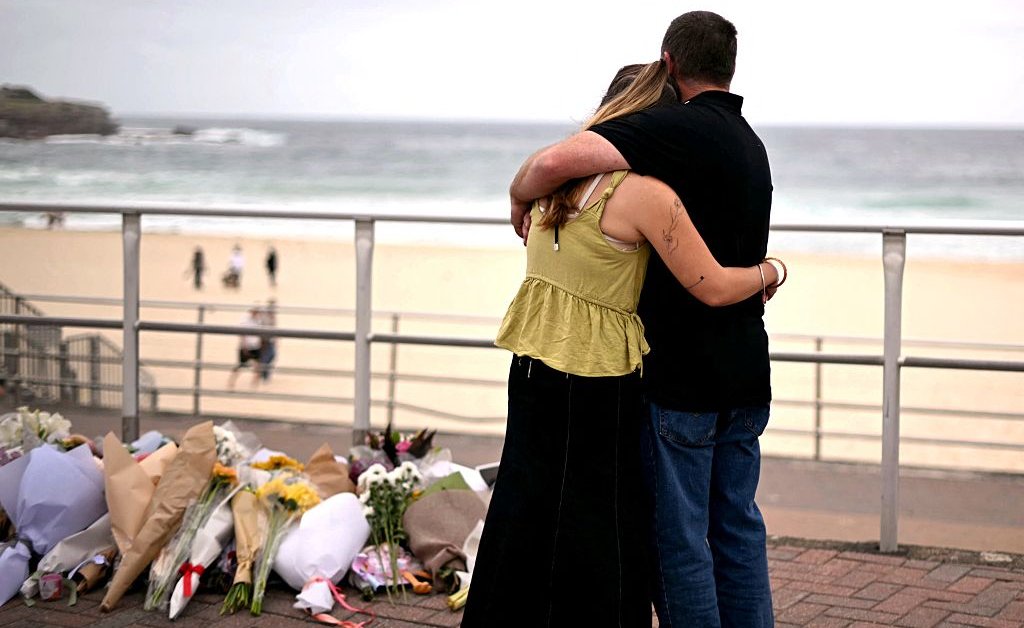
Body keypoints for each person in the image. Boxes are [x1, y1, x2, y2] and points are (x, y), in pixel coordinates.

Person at [461, 61, 782, 628]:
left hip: (532, 366)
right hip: (599, 378)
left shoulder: (547, 187)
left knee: (524, 509)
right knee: (603, 523)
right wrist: (770, 270)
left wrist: (515, 195)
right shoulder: (645, 195)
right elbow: (709, 285)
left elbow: (548, 195)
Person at [227, 307, 262, 389]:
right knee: (240, 366)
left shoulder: (258, 320)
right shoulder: (245, 320)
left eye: (257, 312)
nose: (256, 313)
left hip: (255, 346)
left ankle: (254, 385)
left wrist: (260, 343)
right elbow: (242, 334)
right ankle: (231, 382)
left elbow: (259, 333)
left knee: (257, 366)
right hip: (246, 347)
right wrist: (244, 346)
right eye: (255, 312)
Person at [257, 299, 277, 382]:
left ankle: (265, 374)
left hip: (270, 339)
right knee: (266, 357)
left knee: (271, 356)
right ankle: (264, 375)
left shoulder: (272, 315)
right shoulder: (264, 315)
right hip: (264, 340)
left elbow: (274, 327)